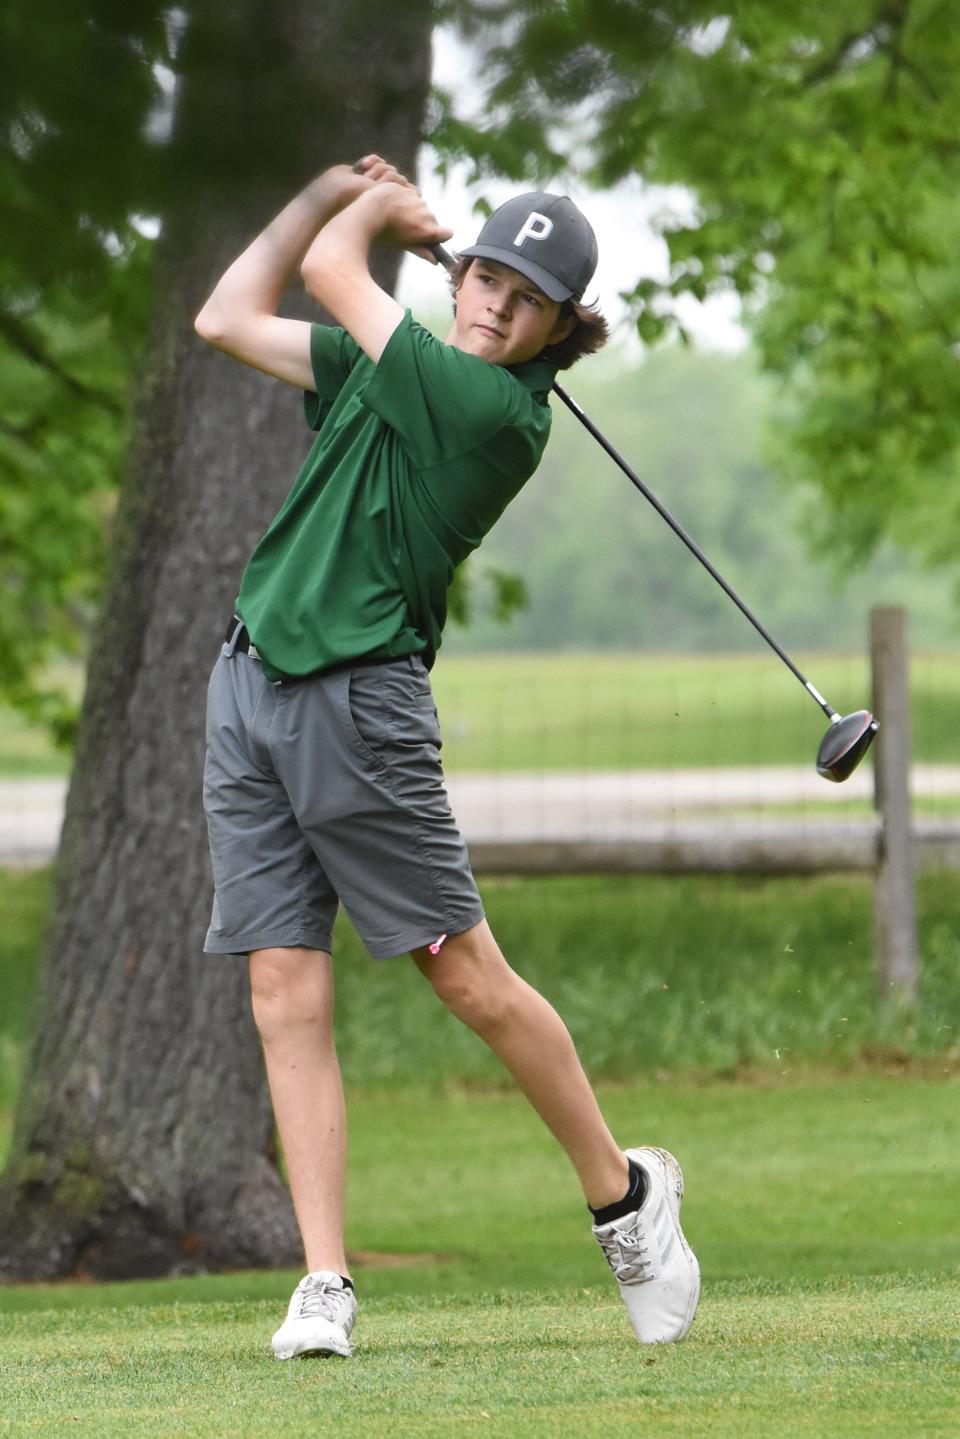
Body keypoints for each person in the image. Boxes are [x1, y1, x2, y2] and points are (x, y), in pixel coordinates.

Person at [195, 154, 699, 1359]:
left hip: (360, 705)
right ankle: (325, 1281)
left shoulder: (488, 413)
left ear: (555, 333)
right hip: (249, 682)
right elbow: (226, 314)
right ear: (458, 273)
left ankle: (625, 1198)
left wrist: (369, 211)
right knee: (281, 989)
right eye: (480, 274)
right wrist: (321, 191)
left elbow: (331, 271)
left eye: (522, 298)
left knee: (465, 976)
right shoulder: (392, 371)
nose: (489, 303)